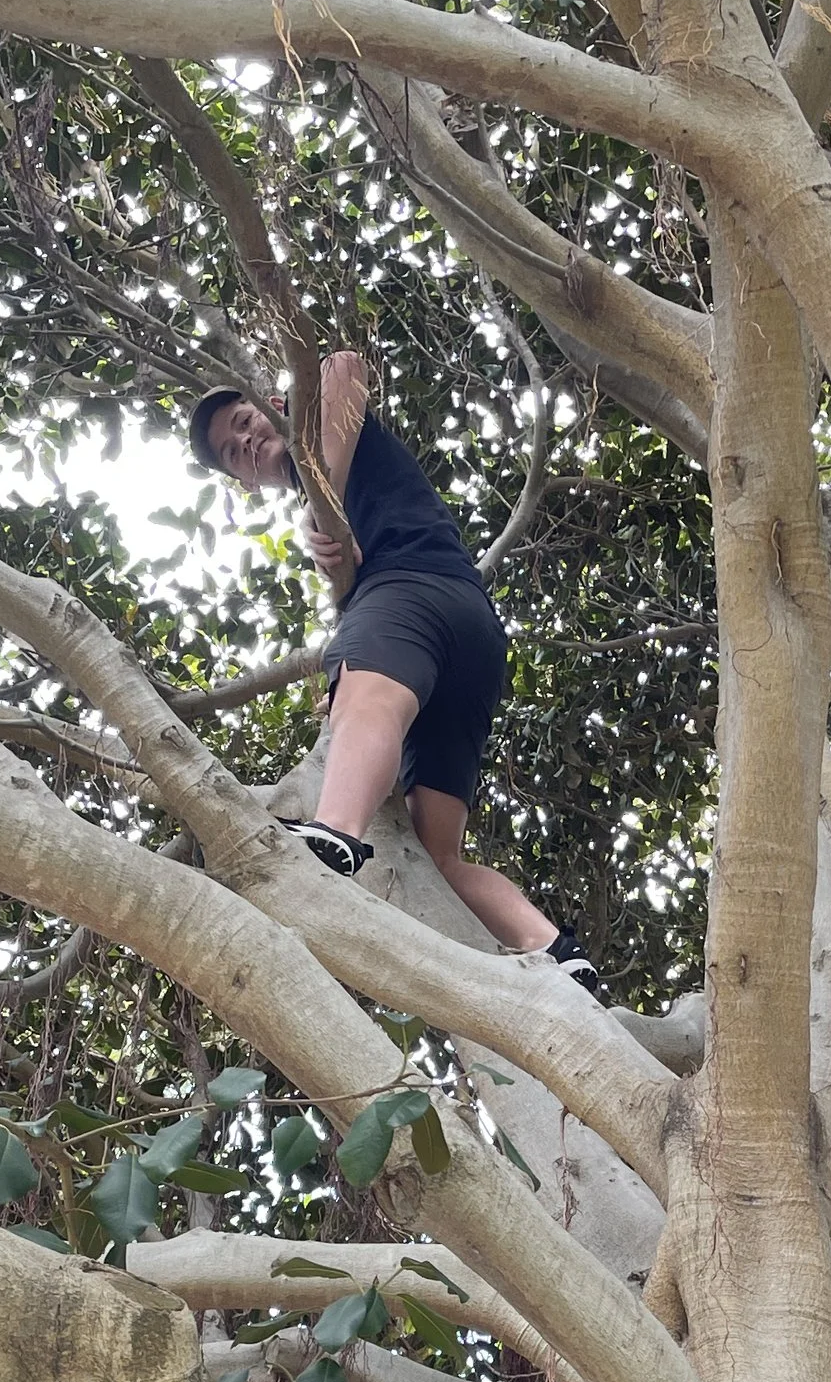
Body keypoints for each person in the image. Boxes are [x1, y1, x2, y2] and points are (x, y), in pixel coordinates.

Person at [188, 353, 598, 989]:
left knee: (364, 698)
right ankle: (552, 948)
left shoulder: (318, 434)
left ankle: (333, 839)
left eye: (244, 419)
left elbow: (344, 367)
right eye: (234, 451)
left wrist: (325, 497)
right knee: (438, 857)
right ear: (244, 483)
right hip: (471, 645)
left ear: (272, 401)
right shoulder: (318, 481)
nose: (246, 439)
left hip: (413, 591)